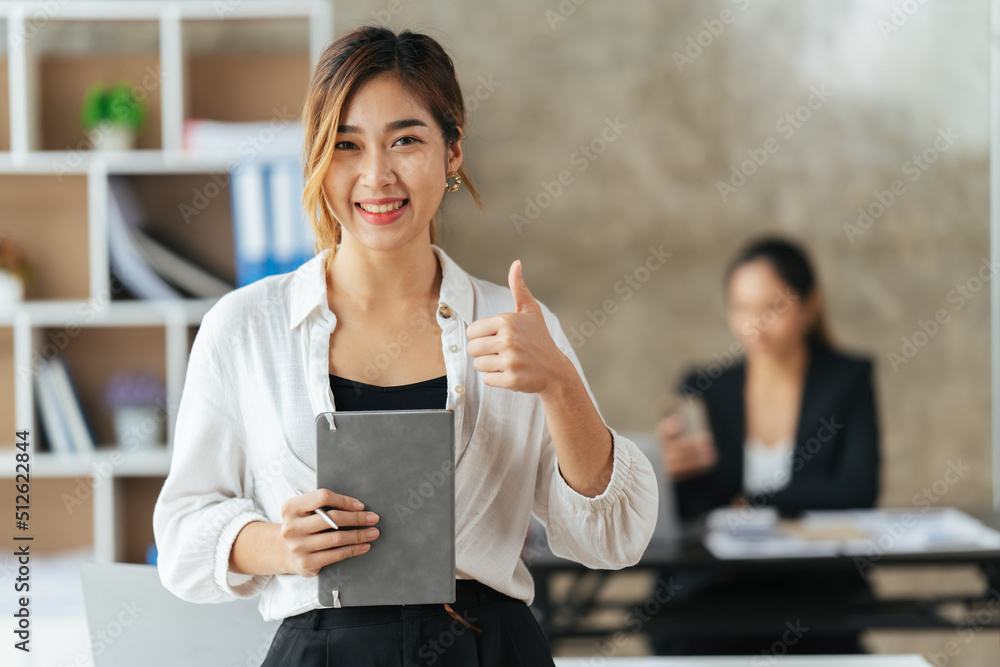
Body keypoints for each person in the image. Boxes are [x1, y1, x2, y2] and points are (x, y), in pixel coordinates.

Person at [151, 26, 658, 667]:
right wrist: (279, 545)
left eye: (406, 140)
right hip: (322, 650)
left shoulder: (515, 322)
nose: (376, 175)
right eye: (346, 145)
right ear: (316, 158)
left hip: (487, 648)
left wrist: (560, 383)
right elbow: (181, 537)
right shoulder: (246, 327)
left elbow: (614, 539)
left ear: (452, 152)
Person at [650, 236, 881, 655]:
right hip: (714, 591)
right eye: (741, 308)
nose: (755, 324)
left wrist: (754, 502)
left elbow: (857, 489)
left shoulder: (847, 381)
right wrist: (663, 472)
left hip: (812, 589)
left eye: (772, 307)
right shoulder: (705, 388)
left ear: (810, 306)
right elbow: (689, 512)